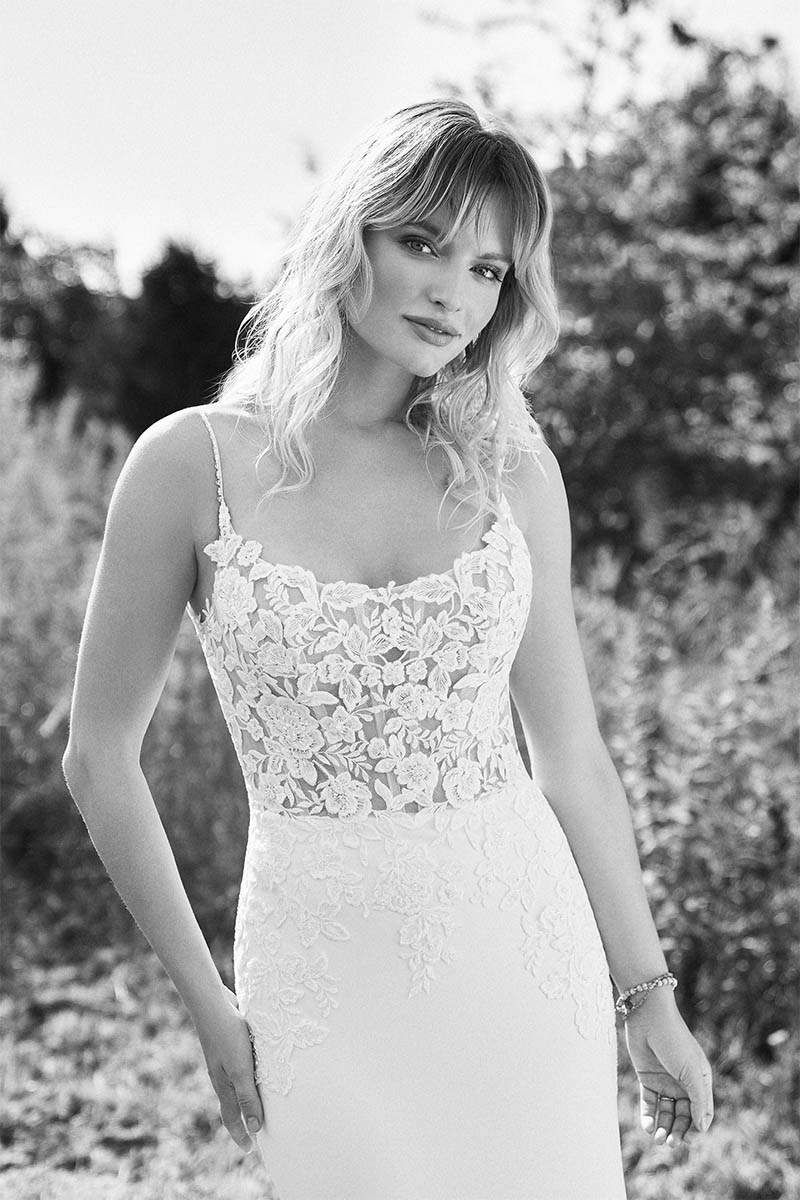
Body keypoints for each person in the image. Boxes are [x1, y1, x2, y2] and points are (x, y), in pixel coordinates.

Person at [62, 99, 714, 1199]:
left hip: (520, 955)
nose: (452, 291)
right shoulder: (194, 464)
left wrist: (646, 996)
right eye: (421, 242)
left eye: (488, 268)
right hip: (320, 974)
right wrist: (206, 1002)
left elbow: (571, 758)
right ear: (347, 237)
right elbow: (97, 756)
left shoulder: (509, 470)